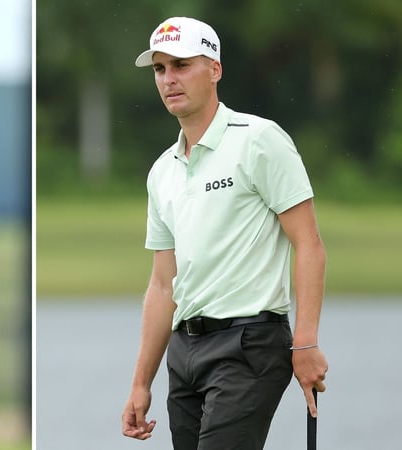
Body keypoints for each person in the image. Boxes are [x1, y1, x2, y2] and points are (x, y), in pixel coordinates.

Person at [120, 16, 328, 449]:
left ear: (214, 68)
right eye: (160, 69)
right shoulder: (163, 171)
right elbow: (163, 284)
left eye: (181, 65)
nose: (168, 79)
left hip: (250, 344)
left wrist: (305, 343)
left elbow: (308, 244)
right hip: (185, 351)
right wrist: (141, 382)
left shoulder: (259, 140)